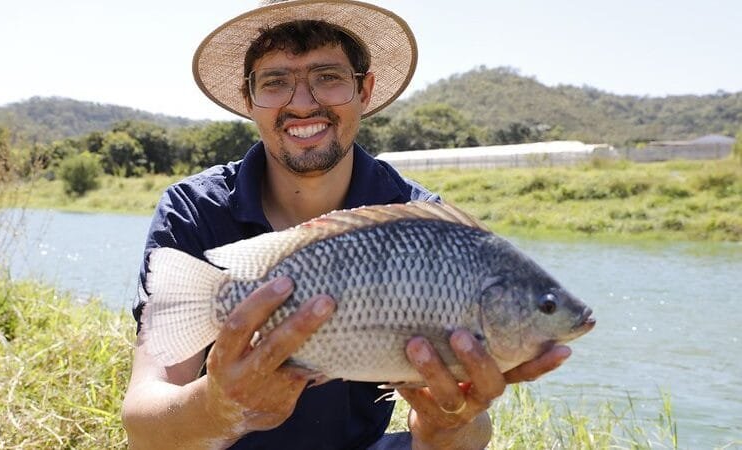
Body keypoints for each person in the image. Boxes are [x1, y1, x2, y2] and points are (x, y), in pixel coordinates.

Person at [121, 1, 571, 448]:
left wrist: (449, 423)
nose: (303, 103)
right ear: (248, 99)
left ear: (366, 90)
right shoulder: (194, 209)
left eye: (328, 78)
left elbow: (463, 439)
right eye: (275, 82)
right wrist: (218, 408)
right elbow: (142, 427)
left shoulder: (423, 221)